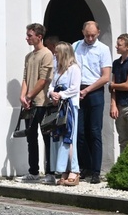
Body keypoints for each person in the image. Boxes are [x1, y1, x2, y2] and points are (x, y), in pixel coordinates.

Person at [73, 21, 111, 184]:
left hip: (94, 91)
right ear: (82, 32)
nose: (90, 38)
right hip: (77, 90)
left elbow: (105, 76)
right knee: (79, 132)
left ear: (98, 33)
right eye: (87, 35)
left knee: (95, 131)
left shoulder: (103, 49)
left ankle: (96, 171)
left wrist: (87, 90)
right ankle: (85, 166)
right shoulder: (75, 46)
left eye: (93, 35)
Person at [19, 23, 54, 183]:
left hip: (42, 102)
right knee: (30, 137)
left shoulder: (47, 54)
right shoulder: (28, 56)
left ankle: (50, 173)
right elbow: (26, 77)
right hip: (30, 103)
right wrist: (23, 96)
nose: (27, 38)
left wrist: (30, 96)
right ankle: (33, 170)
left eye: (30, 35)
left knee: (47, 137)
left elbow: (43, 79)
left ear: (39, 37)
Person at [48, 42, 82, 186]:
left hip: (69, 107)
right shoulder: (58, 70)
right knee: (59, 138)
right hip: (58, 107)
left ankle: (74, 169)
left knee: (69, 137)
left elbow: (74, 88)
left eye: (57, 52)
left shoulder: (74, 69)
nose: (55, 54)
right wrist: (52, 94)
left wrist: (60, 95)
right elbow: (51, 85)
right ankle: (63, 170)